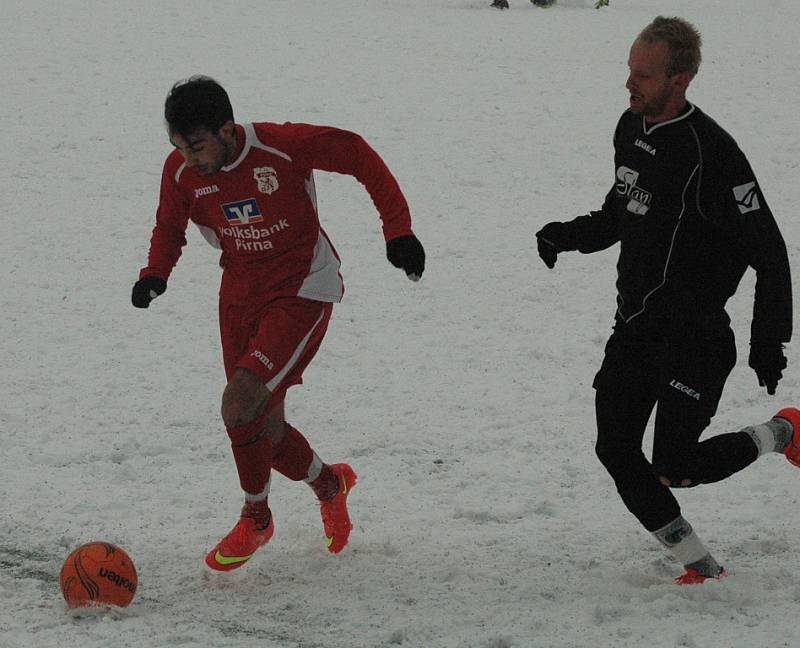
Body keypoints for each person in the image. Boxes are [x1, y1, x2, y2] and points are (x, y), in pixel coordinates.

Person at [535, 16, 797, 584]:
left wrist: (768, 340)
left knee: (675, 466)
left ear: (679, 81)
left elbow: (771, 254)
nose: (629, 85)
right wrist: (570, 234)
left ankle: (781, 434)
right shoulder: (631, 127)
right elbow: (621, 209)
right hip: (634, 329)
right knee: (615, 450)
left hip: (693, 342)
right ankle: (701, 565)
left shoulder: (715, 157)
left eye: (643, 75)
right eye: (629, 70)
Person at [132, 76, 425, 571]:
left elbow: (357, 154)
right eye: (177, 147)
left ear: (227, 130)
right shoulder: (181, 171)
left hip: (300, 290)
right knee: (262, 425)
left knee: (238, 404)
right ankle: (331, 485)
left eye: (197, 146)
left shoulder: (282, 147)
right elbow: (170, 225)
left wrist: (398, 232)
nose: (188, 159)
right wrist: (155, 273)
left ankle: (257, 517)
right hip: (239, 296)